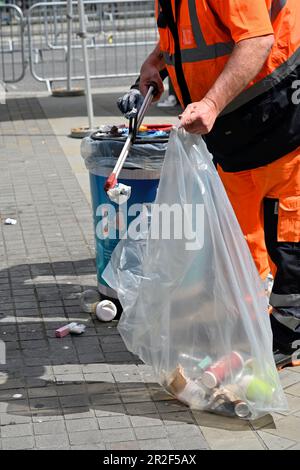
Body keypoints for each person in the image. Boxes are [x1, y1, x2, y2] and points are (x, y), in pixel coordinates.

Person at [118, 0, 300, 369]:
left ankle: (288, 336)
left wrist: (212, 103)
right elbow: (195, 38)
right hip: (236, 134)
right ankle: (251, 328)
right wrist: (158, 63)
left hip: (281, 119)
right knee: (242, 243)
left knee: (288, 236)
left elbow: (256, 39)